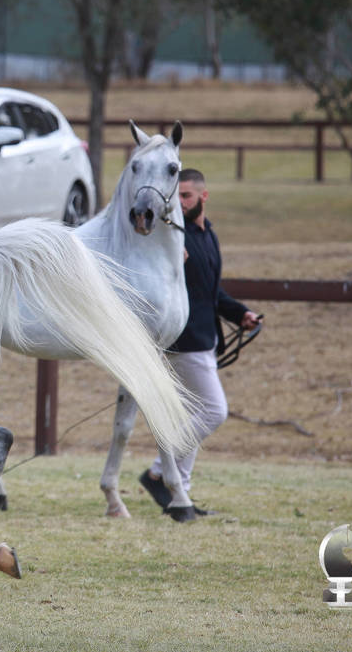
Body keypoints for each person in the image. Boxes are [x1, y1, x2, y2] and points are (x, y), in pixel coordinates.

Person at [139, 168, 262, 521]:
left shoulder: (208, 236)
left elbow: (213, 292)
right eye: (177, 196)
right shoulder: (174, 239)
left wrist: (241, 315)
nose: (180, 202)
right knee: (213, 411)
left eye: (187, 196)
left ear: (203, 197)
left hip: (206, 338)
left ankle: (181, 495)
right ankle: (159, 472)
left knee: (195, 414)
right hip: (183, 340)